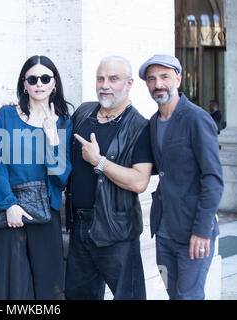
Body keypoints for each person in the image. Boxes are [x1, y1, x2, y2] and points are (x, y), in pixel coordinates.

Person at [0, 55, 73, 299]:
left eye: (45, 78)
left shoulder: (64, 122)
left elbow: (62, 177)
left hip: (47, 214)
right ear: (24, 84)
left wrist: (53, 140)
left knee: (49, 288)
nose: (39, 84)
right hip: (10, 213)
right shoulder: (7, 115)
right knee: (14, 289)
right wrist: (9, 204)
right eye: (33, 79)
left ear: (54, 83)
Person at [64, 56, 153, 300]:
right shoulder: (83, 113)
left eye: (113, 79)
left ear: (129, 83)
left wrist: (99, 161)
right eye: (100, 78)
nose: (105, 85)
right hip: (79, 227)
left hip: (116, 231)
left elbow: (139, 182)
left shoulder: (140, 127)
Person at [139, 54, 223, 300]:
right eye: (152, 79)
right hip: (164, 233)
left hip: (193, 233)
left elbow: (213, 179)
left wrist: (202, 230)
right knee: (172, 293)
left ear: (178, 77)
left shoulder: (196, 118)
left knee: (189, 296)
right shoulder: (154, 122)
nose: (158, 84)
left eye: (164, 76)